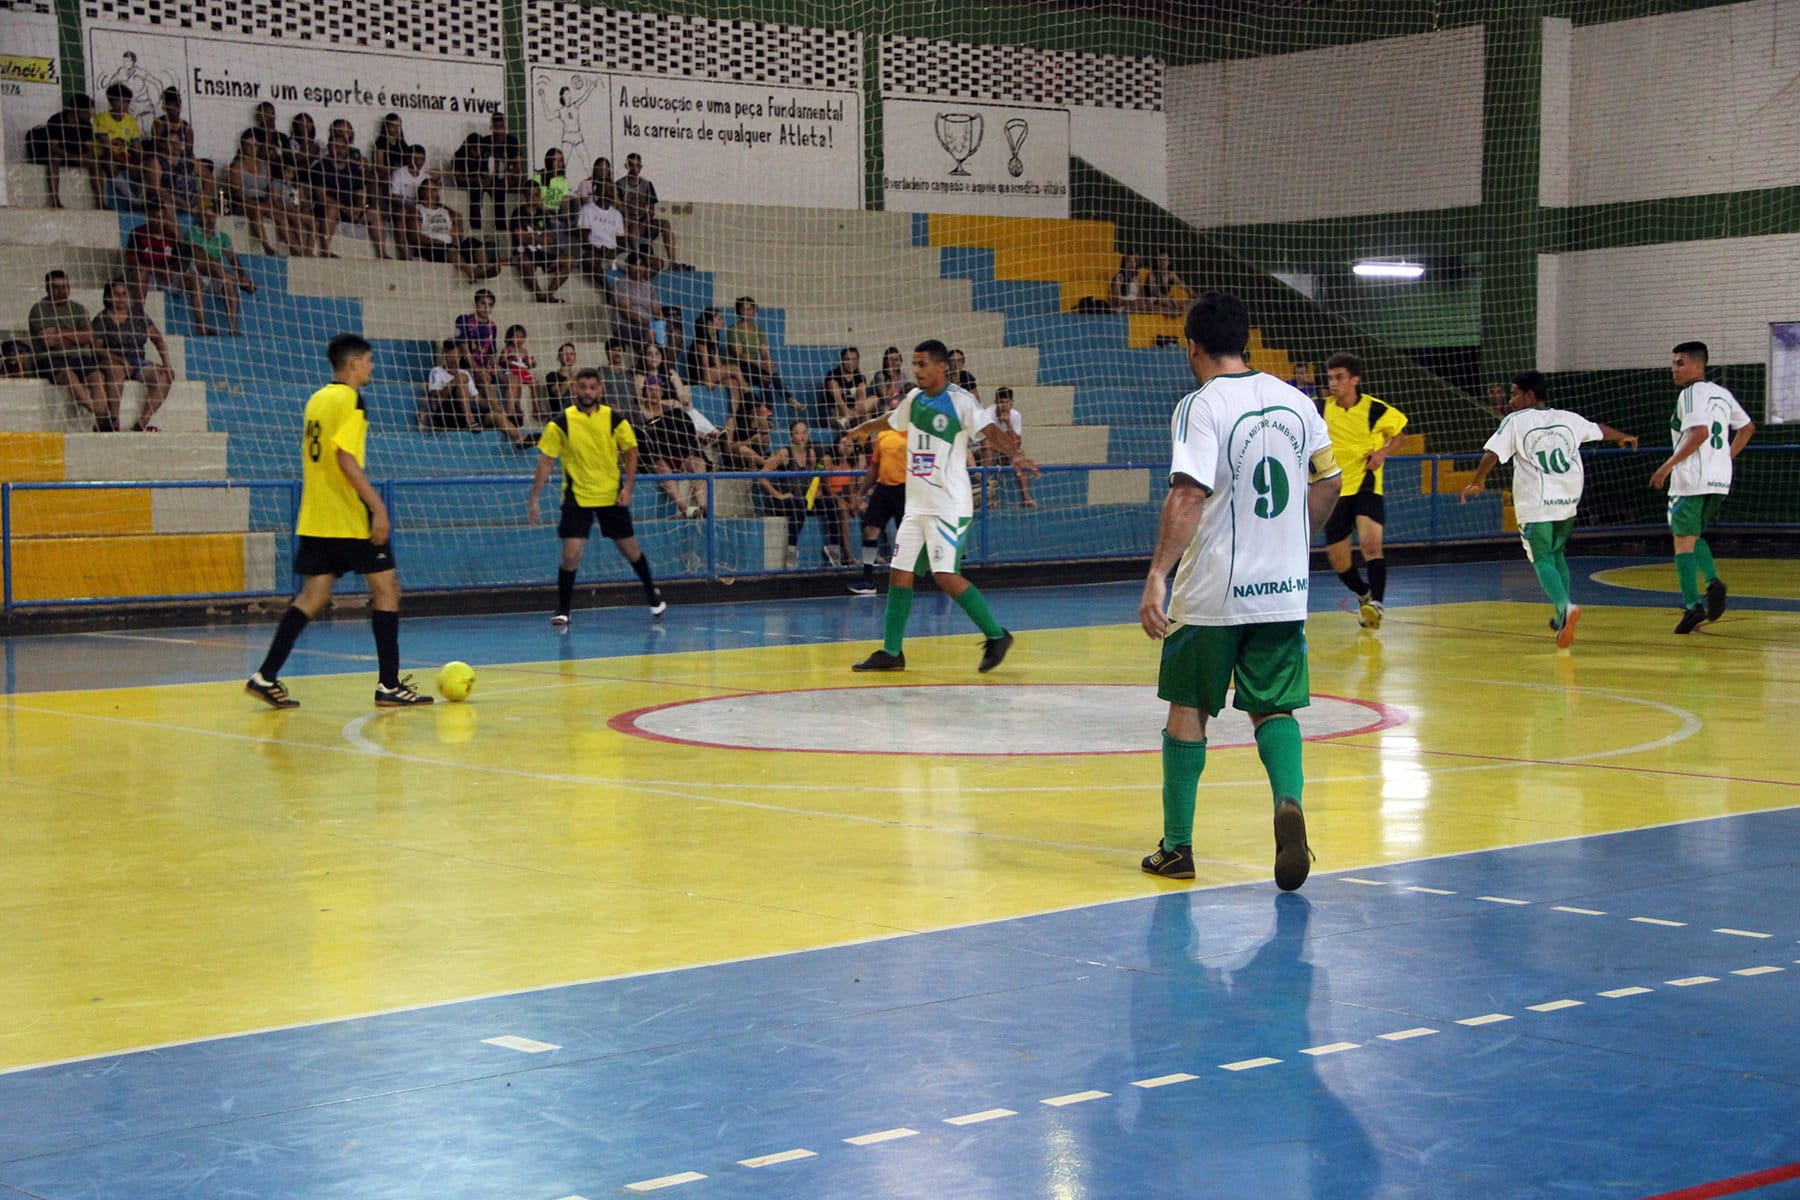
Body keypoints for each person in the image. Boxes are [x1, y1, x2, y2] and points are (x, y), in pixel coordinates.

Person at [1137, 291, 1343, 888]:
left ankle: (1177, 848)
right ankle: (1288, 801)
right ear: (1247, 340)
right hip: (1283, 588)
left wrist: (1157, 575)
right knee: (1273, 706)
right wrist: (1295, 535)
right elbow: (1330, 479)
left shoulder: (1200, 405)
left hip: (1212, 590)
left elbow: (1188, 494)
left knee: (1189, 706)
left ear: (1192, 345)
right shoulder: (1296, 401)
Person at [245, 334, 432, 709]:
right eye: (368, 360)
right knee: (387, 589)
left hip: (316, 516)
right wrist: (378, 507)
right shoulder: (351, 400)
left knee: (312, 597)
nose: (372, 366)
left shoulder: (317, 399)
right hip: (347, 516)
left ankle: (265, 676)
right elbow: (346, 459)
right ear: (353, 364)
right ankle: (389, 686)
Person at [848, 340, 1033, 672]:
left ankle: (997, 635)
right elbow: (892, 419)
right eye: (915, 364)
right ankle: (892, 653)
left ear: (940, 367)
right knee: (899, 573)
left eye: (922, 364)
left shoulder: (961, 401)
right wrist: (863, 428)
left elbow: (989, 430)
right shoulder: (914, 400)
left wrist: (1015, 453)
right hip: (917, 506)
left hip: (949, 506)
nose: (916, 370)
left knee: (945, 575)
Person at [1458, 370, 1637, 647]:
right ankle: (1560, 614)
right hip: (1568, 499)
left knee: (1541, 558)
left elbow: (1492, 453)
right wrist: (1622, 436)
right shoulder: (1568, 418)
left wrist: (1477, 481)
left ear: (1530, 395)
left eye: (1515, 393)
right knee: (1557, 554)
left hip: (1537, 502)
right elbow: (1600, 429)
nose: (1511, 398)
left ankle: (1565, 607)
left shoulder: (1516, 421)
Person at [526, 366, 668, 625]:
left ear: (600, 389)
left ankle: (652, 593)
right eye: (583, 386)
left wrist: (628, 488)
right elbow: (546, 461)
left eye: (593, 387)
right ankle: (563, 610)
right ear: (575, 388)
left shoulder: (614, 419)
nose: (588, 391)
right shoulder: (561, 422)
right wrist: (534, 498)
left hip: (610, 495)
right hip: (577, 497)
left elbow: (631, 451)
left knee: (630, 551)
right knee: (571, 554)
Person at [1650, 340, 1756, 634]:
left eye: (1680, 363)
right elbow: (1747, 428)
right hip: (1720, 480)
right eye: (1673, 363)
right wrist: (1725, 457)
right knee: (1693, 537)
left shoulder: (1692, 393)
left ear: (1700, 365)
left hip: (1691, 479)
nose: (1674, 369)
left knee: (1682, 542)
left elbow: (1699, 433)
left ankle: (1692, 605)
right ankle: (1712, 582)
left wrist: (1666, 466)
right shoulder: (1722, 394)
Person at [1320, 351, 1407, 629]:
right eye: (1331, 377)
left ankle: (1378, 605)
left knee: (1371, 544)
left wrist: (1382, 452)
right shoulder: (1322, 409)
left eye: (1339, 377)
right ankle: (1364, 594)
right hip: (1334, 490)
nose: (1333, 382)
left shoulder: (1374, 409)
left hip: (1367, 485)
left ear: (1355, 380)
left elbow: (1400, 434)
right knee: (1338, 560)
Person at [29, 270, 117, 430]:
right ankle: (99, 412)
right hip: (50, 359)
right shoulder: (39, 309)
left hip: (80, 358)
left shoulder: (78, 308)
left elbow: (89, 337)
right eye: (56, 287)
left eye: (65, 286)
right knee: (69, 374)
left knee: (97, 376)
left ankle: (102, 422)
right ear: (47, 289)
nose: (62, 291)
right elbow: (49, 342)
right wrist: (76, 337)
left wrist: (60, 332)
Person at [92, 276, 175, 431]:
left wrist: (166, 364)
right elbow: (96, 348)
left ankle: (143, 421)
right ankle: (114, 421)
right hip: (112, 360)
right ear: (108, 296)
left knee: (165, 375)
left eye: (124, 294)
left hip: (137, 361)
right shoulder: (101, 319)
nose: (121, 298)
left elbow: (158, 339)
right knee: (116, 371)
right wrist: (120, 361)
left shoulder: (138, 315)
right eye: (116, 294)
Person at [847, 388, 907, 595]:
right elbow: (874, 467)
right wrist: (861, 492)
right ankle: (868, 580)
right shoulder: (882, 434)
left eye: (898, 400)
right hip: (884, 488)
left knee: (907, 537)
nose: (894, 404)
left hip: (906, 489)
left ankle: (915, 579)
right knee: (870, 529)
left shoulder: (913, 431)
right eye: (892, 401)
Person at [635, 376, 709, 517]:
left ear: (662, 393)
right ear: (645, 392)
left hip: (675, 453)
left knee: (698, 463)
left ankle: (703, 507)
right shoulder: (638, 413)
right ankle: (684, 507)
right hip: (656, 458)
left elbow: (684, 431)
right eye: (651, 390)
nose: (655, 393)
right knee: (661, 465)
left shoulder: (670, 410)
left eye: (658, 390)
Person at [183, 202, 256, 337]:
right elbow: (199, 256)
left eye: (212, 216)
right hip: (195, 271)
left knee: (229, 284)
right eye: (206, 216)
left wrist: (242, 274)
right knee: (201, 272)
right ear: (200, 217)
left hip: (217, 274)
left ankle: (233, 328)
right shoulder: (192, 234)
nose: (210, 219)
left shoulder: (223, 237)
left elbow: (232, 258)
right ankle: (201, 326)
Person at [759, 420, 824, 568]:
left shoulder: (811, 455)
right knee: (799, 503)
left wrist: (816, 490)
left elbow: (813, 478)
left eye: (804, 433)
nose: (801, 436)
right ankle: (791, 550)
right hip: (783, 501)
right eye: (797, 433)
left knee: (833, 503)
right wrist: (777, 494)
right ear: (790, 436)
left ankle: (834, 550)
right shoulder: (784, 453)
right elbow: (761, 476)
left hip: (804, 499)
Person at [410, 177, 491, 283]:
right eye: (428, 190)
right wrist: (438, 242)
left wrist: (456, 236)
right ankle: (470, 271)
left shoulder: (445, 211)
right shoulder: (418, 211)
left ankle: (483, 268)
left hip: (450, 245)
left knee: (474, 243)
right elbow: (414, 237)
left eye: (434, 190)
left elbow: (458, 235)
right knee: (450, 249)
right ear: (422, 192)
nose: (432, 193)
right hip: (430, 248)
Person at [616, 152, 688, 269]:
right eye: (632, 165)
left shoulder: (647, 184)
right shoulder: (620, 184)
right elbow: (618, 208)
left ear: (641, 167)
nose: (635, 168)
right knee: (633, 225)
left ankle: (673, 262)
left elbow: (651, 209)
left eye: (638, 165)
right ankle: (637, 258)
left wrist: (644, 222)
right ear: (626, 166)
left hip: (644, 222)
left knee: (665, 224)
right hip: (627, 223)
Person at [977, 386, 1039, 508]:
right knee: (987, 448)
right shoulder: (988, 414)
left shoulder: (1015, 415)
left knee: (1020, 457)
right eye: (1001, 402)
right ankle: (989, 498)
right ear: (996, 403)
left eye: (1007, 402)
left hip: (1004, 449)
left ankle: (1026, 498)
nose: (1004, 406)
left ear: (1012, 403)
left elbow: (1017, 444)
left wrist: (1008, 423)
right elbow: (985, 441)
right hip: (983, 450)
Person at [726, 296, 792, 409]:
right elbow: (739, 355)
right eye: (745, 309)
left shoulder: (758, 330)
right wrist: (759, 364)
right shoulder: (734, 330)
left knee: (769, 378)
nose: (749, 312)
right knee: (764, 376)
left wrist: (768, 362)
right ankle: (786, 399)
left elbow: (764, 351)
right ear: (739, 311)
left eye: (751, 309)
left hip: (754, 367)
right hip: (740, 367)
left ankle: (787, 401)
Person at [146, 87, 202, 213]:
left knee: (203, 165)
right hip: (164, 162)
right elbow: (154, 147)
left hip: (180, 161)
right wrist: (171, 149)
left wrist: (177, 152)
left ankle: (195, 199)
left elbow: (188, 150)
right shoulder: (159, 124)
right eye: (170, 108)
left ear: (180, 107)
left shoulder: (187, 128)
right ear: (165, 107)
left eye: (175, 107)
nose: (173, 111)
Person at [510, 186, 568, 303]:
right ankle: (539, 294)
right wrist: (539, 238)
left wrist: (532, 237)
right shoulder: (518, 212)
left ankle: (548, 295)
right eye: (530, 195)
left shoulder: (543, 215)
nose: (533, 198)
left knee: (568, 260)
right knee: (524, 262)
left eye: (536, 195)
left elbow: (551, 240)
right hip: (521, 252)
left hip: (539, 252)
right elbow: (520, 237)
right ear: (525, 196)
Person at [45, 94, 102, 209]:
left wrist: (85, 157)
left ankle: (101, 202)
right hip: (61, 155)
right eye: (88, 111)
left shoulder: (86, 125)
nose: (91, 114)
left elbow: (91, 149)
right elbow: (53, 147)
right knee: (54, 159)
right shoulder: (57, 120)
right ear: (78, 110)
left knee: (95, 162)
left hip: (76, 156)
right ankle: (55, 199)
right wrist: (73, 157)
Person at [685, 307, 747, 409]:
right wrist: (708, 381)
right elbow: (704, 361)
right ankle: (750, 397)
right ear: (710, 323)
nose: (723, 321)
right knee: (735, 368)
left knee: (734, 383)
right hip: (700, 374)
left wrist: (722, 374)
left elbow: (716, 358)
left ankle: (734, 418)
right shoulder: (701, 336)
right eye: (719, 319)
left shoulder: (715, 335)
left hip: (711, 371)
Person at [422, 338, 481, 432]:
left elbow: (477, 399)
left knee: (496, 416)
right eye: (452, 355)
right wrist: (455, 381)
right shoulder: (436, 371)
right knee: (461, 384)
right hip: (446, 413)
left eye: (458, 355)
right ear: (444, 355)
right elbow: (438, 401)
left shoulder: (464, 373)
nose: (455, 359)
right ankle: (470, 421)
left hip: (462, 412)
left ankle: (513, 436)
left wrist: (492, 405)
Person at [816, 346, 868, 431]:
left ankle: (863, 442)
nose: (850, 363)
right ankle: (847, 420)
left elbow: (861, 396)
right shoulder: (833, 374)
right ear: (842, 360)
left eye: (854, 360)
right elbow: (838, 399)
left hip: (852, 411)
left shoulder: (860, 377)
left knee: (874, 401)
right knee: (843, 411)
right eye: (847, 359)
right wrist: (847, 414)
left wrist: (856, 409)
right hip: (833, 411)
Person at [1143, 250, 1187, 316]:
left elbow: (1185, 287)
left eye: (1165, 260)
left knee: (1185, 304)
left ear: (1169, 261)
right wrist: (1168, 299)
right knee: (1167, 303)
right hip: (1151, 298)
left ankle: (1174, 311)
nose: (1162, 262)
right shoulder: (1152, 274)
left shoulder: (1171, 275)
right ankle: (1172, 312)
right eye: (1160, 260)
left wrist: (1196, 296)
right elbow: (1155, 292)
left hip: (1164, 299)